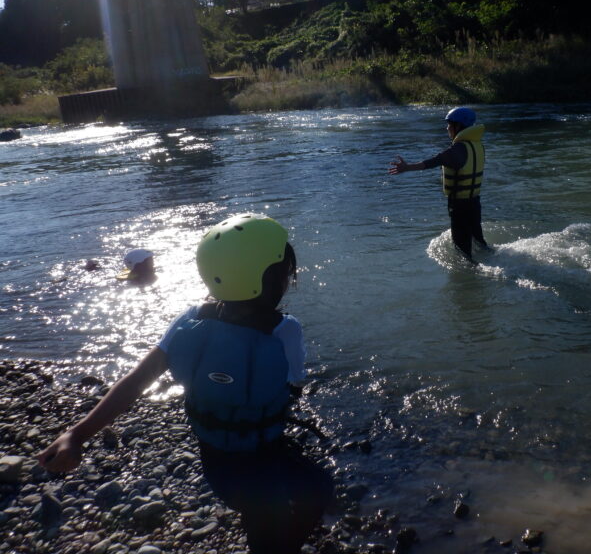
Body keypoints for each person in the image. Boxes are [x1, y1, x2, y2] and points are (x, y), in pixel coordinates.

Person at [37, 214, 334, 554]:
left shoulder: (189, 319)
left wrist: (78, 434)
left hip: (217, 465)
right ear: (274, 279)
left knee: (264, 517)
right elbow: (294, 380)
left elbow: (135, 382)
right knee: (316, 492)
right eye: (286, 272)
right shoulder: (285, 329)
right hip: (262, 459)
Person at [389, 106, 489, 260]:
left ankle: (474, 276)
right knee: (479, 240)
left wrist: (407, 167)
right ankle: (491, 259)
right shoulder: (477, 146)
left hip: (459, 206)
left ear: (458, 126)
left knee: (462, 250)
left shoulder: (457, 150)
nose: (447, 128)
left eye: (449, 124)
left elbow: (433, 162)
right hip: (474, 203)